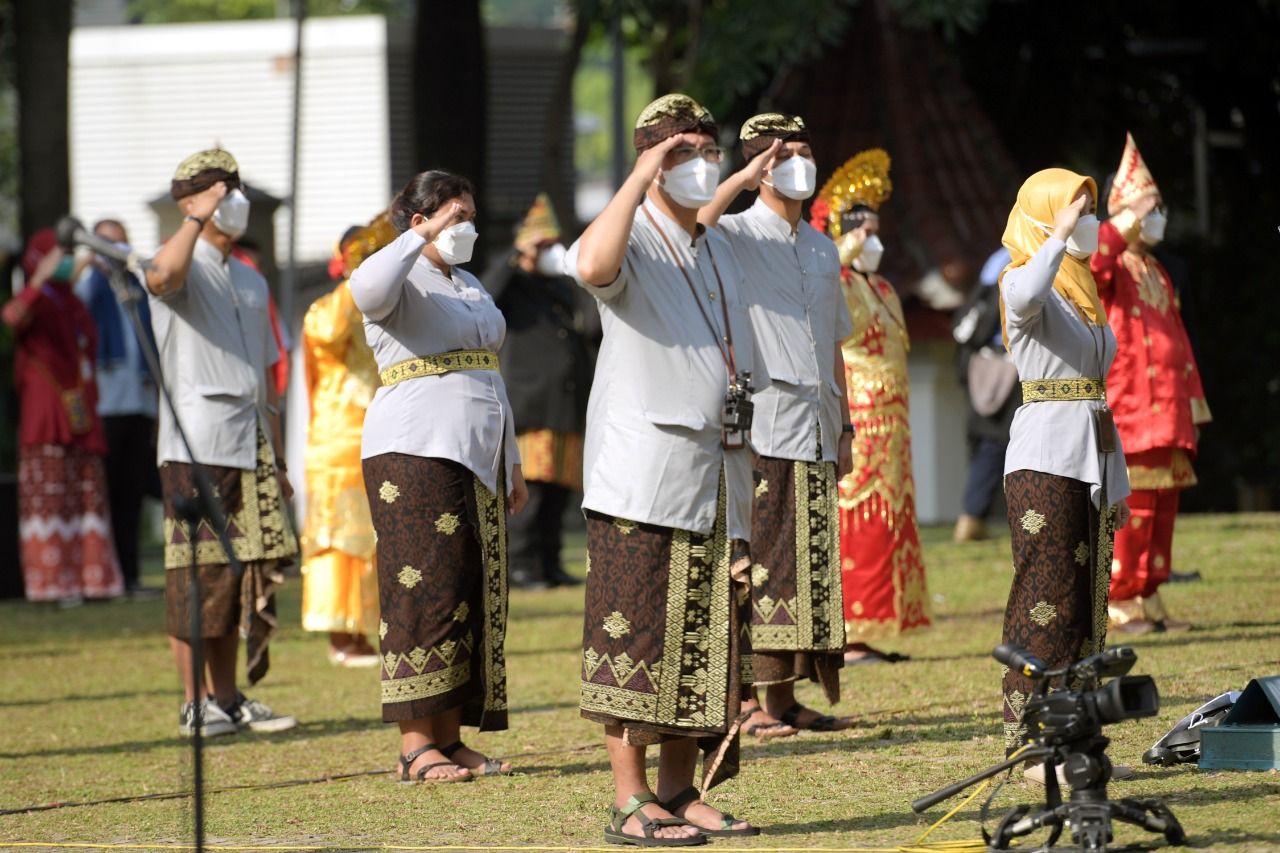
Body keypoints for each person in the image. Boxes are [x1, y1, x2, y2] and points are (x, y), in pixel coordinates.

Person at [566, 93, 767, 847]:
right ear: (650, 164)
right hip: (643, 475)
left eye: (704, 151)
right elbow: (590, 263)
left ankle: (683, 790)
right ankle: (630, 798)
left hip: (717, 471)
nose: (700, 166)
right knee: (637, 635)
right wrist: (642, 171)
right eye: (681, 154)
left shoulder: (709, 244)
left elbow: (711, 214)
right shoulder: (632, 238)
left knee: (707, 636)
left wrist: (733, 179)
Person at [350, 169, 527, 784]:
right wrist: (412, 236)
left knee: (464, 588)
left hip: (479, 452)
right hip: (414, 451)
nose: (467, 227)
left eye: (471, 215)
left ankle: (450, 741)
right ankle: (415, 746)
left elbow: (490, 375)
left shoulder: (472, 284)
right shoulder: (398, 277)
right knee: (420, 590)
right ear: (419, 218)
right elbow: (365, 290)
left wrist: (514, 462)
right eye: (456, 216)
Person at [697, 112, 854, 736]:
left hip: (817, 423)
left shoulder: (822, 245)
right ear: (761, 166)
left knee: (803, 566)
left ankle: (782, 698)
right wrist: (739, 178)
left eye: (806, 152)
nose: (801, 165)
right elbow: (697, 224)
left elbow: (832, 341)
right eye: (786, 156)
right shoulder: (735, 232)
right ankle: (741, 700)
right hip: (762, 425)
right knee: (753, 562)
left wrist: (845, 425)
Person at [145, 148, 299, 738]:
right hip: (196, 444)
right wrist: (191, 219)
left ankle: (228, 699)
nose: (232, 201)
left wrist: (278, 456)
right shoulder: (174, 261)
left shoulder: (250, 279)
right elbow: (162, 278)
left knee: (236, 578)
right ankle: (194, 703)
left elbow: (267, 377)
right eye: (217, 191)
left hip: (250, 441)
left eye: (234, 189)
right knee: (195, 573)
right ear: (190, 202)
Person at [996, 168, 1132, 776]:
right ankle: (1031, 746)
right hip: (1045, 461)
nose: (1087, 224)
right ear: (1046, 216)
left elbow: (1099, 398)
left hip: (1091, 456)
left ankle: (1077, 744)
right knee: (1043, 603)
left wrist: (1120, 482)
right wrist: (1057, 235)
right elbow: (1025, 296)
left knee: (1084, 607)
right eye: (1076, 211)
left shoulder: (1082, 293)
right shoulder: (1023, 281)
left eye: (1089, 212)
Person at [811, 150, 930, 665]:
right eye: (864, 233)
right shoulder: (835, 281)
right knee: (856, 521)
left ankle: (874, 624)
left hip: (893, 425)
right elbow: (814, 277)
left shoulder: (880, 286)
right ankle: (850, 628)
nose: (873, 242)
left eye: (877, 233)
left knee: (887, 524)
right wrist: (840, 248)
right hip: (859, 418)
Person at [1092, 134, 1211, 634]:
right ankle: (1120, 602)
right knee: (1133, 511)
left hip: (1168, 412)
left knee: (1162, 511)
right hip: (1133, 409)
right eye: (1151, 209)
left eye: (1159, 208)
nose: (1159, 216)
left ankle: (1150, 595)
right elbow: (1092, 260)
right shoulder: (1113, 263)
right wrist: (1122, 220)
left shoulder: (1158, 271)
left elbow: (1177, 343)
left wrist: (1195, 409)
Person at [4, 229, 124, 606]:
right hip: (46, 418)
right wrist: (39, 279)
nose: (68, 260)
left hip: (81, 414)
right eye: (61, 254)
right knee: (50, 502)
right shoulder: (38, 299)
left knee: (87, 498)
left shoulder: (72, 301)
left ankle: (93, 581)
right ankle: (51, 584)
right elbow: (11, 318)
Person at [299, 217, 395, 667]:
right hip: (337, 441)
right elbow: (327, 334)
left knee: (378, 539)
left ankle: (369, 631)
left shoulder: (382, 310)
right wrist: (359, 276)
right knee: (338, 539)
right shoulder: (326, 309)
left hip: (381, 432)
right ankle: (340, 634)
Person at [485, 193, 594, 590]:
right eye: (542, 245)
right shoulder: (512, 286)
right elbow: (487, 292)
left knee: (559, 492)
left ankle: (549, 563)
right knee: (531, 492)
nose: (549, 252)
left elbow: (592, 326)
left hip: (565, 404)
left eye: (553, 245)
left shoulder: (560, 289)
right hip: (530, 405)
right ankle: (521, 566)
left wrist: (572, 273)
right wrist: (516, 255)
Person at [74, 218, 163, 596]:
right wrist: (87, 260)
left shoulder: (135, 289)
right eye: (108, 245)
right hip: (105, 407)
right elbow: (71, 299)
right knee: (103, 495)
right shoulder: (90, 286)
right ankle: (99, 576)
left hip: (138, 403)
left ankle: (128, 575)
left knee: (131, 494)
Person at [951, 247, 1021, 542]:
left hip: (982, 369)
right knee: (996, 445)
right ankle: (972, 517)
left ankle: (975, 516)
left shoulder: (996, 259)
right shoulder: (1016, 257)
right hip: (1006, 369)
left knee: (989, 446)